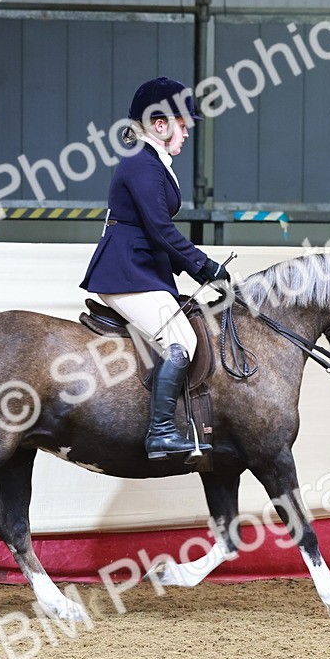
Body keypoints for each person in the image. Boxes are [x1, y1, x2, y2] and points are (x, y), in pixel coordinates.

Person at [80, 77, 230, 461]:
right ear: (160, 125)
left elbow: (159, 232)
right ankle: (161, 432)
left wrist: (202, 271)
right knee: (181, 340)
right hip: (126, 271)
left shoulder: (153, 163)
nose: (187, 133)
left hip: (142, 268)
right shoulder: (142, 165)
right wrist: (204, 266)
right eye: (183, 125)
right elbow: (160, 229)